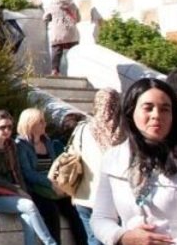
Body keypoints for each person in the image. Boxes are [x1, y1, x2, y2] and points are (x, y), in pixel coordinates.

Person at [91, 78, 177, 245]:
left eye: (165, 109)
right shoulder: (113, 159)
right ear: (131, 112)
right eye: (148, 108)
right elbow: (101, 218)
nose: (156, 115)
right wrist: (123, 237)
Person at [0, 110, 57, 245]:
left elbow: (17, 173)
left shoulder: (10, 145)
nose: (7, 131)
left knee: (29, 218)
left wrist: (24, 192)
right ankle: (51, 243)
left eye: (10, 127)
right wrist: (16, 190)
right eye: (2, 127)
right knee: (29, 206)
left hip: (12, 193)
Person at [15, 108, 86, 245]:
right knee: (51, 213)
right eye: (41, 121)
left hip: (54, 186)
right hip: (36, 189)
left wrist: (60, 183)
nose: (44, 124)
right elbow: (28, 173)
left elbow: (55, 165)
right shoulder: (21, 145)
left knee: (74, 212)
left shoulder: (47, 141)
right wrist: (50, 183)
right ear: (31, 124)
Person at [69, 89, 123, 245]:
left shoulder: (82, 129)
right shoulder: (123, 132)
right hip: (114, 200)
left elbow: (73, 157)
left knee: (93, 240)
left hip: (85, 196)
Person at [43, 0, 80, 76]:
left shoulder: (52, 5)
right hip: (71, 33)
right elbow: (78, 19)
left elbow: (45, 18)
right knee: (74, 51)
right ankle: (77, 69)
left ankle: (55, 70)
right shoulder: (72, 4)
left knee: (56, 49)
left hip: (58, 33)